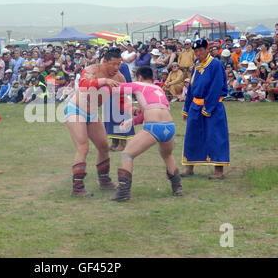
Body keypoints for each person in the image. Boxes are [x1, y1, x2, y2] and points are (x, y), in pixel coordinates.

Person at [65, 48, 137, 197]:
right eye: (113, 64)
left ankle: (104, 180)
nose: (116, 68)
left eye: (119, 64)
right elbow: (84, 84)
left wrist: (133, 109)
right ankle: (77, 187)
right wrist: (103, 81)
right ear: (104, 62)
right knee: (83, 147)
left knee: (104, 146)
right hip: (76, 109)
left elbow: (122, 100)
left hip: (92, 112)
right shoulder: (92, 69)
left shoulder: (119, 78)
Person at [110, 66, 183, 201]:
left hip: (154, 126)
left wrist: (102, 82)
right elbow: (147, 111)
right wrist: (130, 122)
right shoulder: (159, 89)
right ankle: (177, 187)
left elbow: (115, 88)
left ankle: (123, 192)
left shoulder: (139, 85)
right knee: (167, 155)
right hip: (169, 126)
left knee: (127, 154)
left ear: (139, 77)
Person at [181, 39, 230, 180]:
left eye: (201, 50)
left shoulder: (215, 64)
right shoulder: (196, 65)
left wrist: (208, 108)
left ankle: (218, 170)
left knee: (215, 137)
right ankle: (189, 167)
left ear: (207, 49)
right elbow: (191, 87)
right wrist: (186, 108)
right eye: (195, 51)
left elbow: (216, 87)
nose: (198, 53)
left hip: (212, 107)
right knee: (192, 137)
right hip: (195, 106)